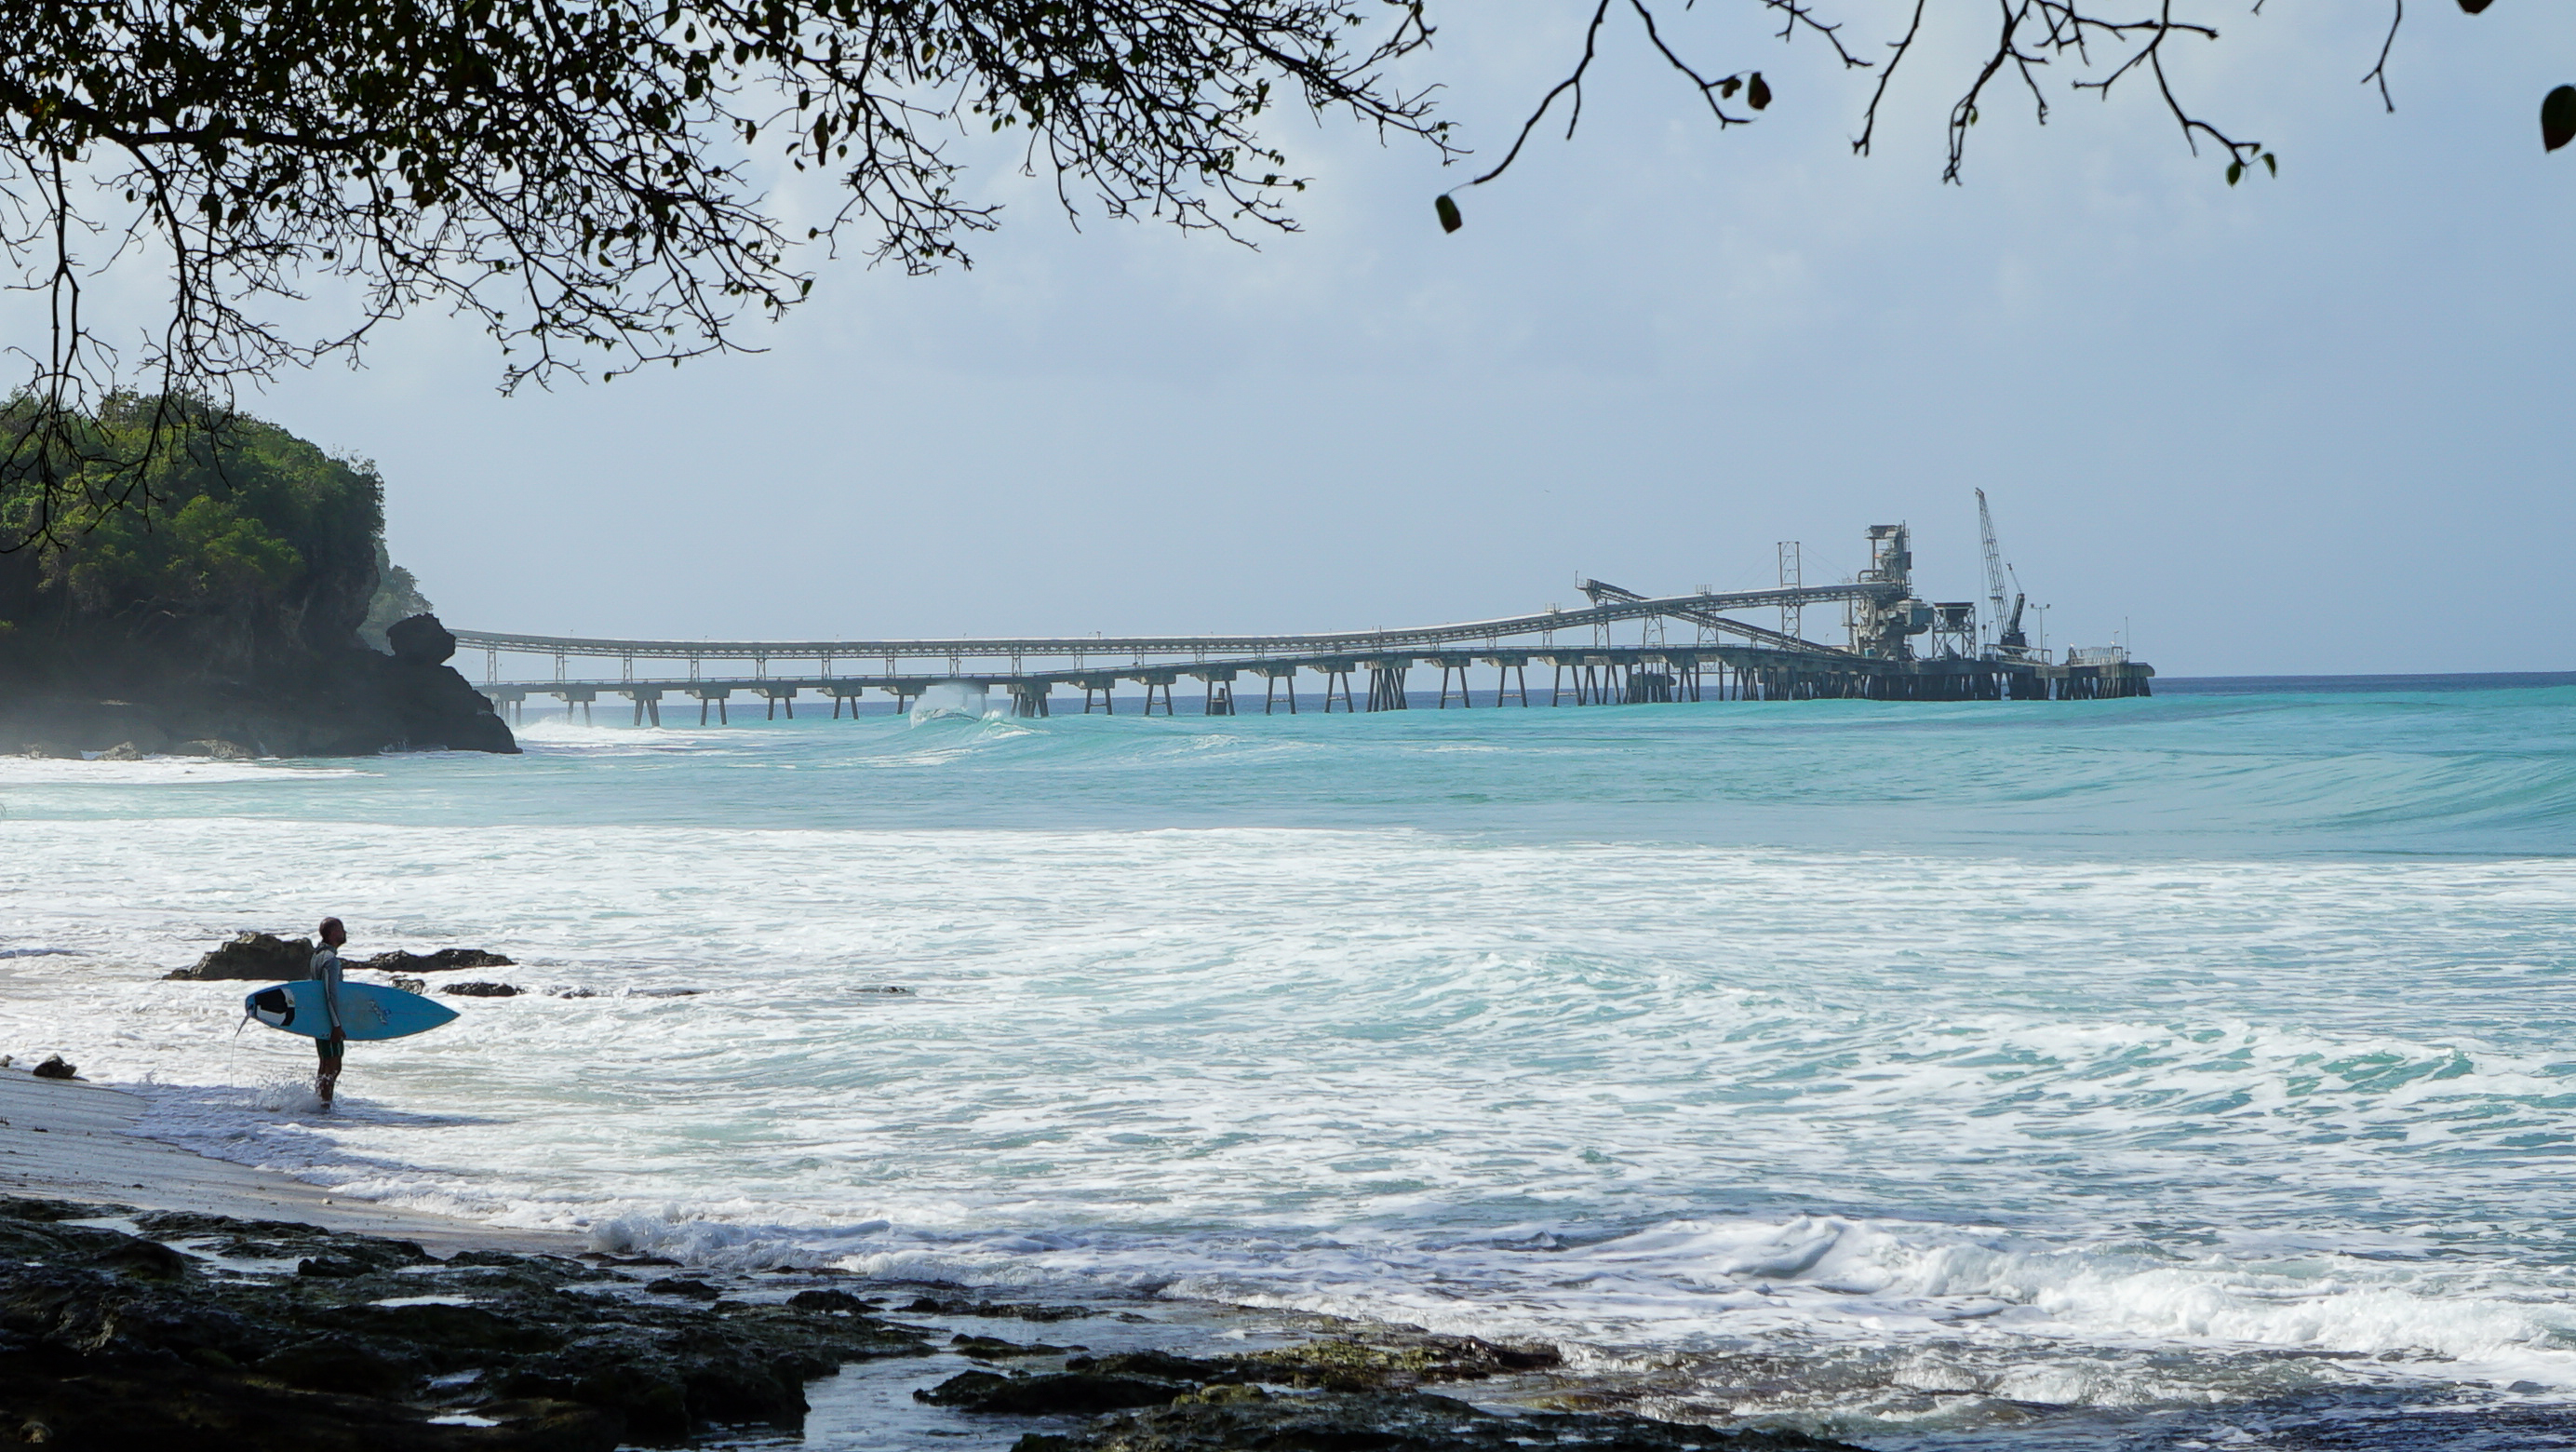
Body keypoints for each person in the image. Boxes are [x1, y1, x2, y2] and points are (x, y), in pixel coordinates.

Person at [310, 917, 350, 1109]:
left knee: (325, 1064)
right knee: (333, 1066)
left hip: (319, 1019)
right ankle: (324, 1103)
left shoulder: (317, 956)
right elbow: (330, 994)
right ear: (334, 933)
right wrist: (336, 1025)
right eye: (341, 929)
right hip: (329, 1021)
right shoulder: (331, 960)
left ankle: (320, 1102)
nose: (345, 933)